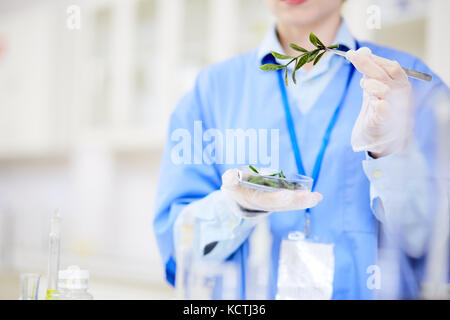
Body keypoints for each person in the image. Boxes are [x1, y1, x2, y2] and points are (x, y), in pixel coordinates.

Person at [153, 0, 449, 299]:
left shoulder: (411, 86)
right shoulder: (211, 91)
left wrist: (391, 153)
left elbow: (437, 247)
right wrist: (232, 208)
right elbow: (177, 249)